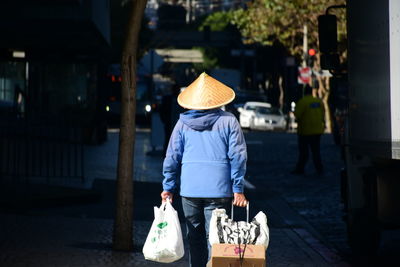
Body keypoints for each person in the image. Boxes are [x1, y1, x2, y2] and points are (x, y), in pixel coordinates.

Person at [160, 73, 248, 267]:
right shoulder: (229, 121)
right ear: (216, 99)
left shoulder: (182, 123)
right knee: (216, 238)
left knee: (194, 237)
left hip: (190, 190)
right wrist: (238, 189)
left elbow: (172, 157)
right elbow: (238, 157)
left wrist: (168, 187)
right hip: (219, 189)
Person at [291, 84, 325, 175]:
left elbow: (297, 116)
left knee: (304, 152)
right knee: (316, 152)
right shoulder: (318, 101)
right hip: (317, 130)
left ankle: (300, 168)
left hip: (305, 131)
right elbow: (323, 114)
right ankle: (319, 169)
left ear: (304, 92)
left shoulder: (302, 102)